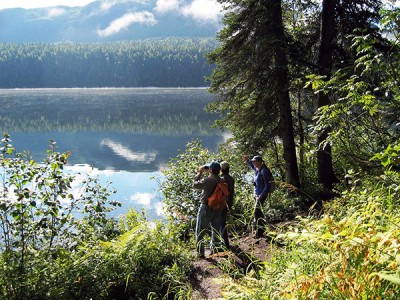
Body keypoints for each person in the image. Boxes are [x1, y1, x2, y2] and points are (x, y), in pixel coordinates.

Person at [193, 161, 223, 258]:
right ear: (219, 171)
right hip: (218, 208)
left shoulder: (208, 180)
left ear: (210, 170)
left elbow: (194, 185)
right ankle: (215, 250)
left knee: (200, 231)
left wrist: (200, 173)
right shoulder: (221, 180)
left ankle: (201, 253)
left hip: (206, 207)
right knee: (216, 229)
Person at [244, 155, 271, 238]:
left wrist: (261, 196)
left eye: (255, 161)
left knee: (256, 212)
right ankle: (262, 229)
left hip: (261, 196)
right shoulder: (258, 169)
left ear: (260, 162)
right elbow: (252, 166)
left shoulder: (264, 171)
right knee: (259, 212)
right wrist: (247, 160)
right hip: (257, 195)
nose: (254, 163)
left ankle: (259, 232)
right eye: (253, 161)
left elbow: (267, 186)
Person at [220, 161, 235, 249]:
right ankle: (225, 242)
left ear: (221, 169)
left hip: (222, 203)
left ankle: (225, 244)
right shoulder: (231, 178)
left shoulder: (222, 179)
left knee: (221, 223)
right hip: (228, 203)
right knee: (223, 222)